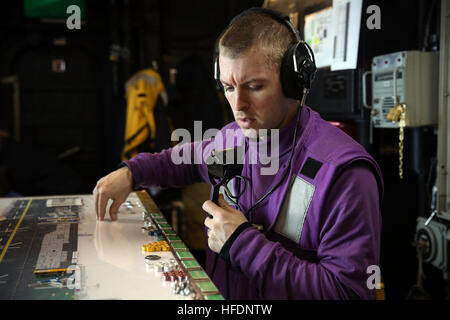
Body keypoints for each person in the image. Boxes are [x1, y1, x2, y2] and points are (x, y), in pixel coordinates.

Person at [93, 8, 384, 300]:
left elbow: (349, 293)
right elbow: (177, 161)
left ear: (294, 81)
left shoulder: (344, 173)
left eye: (254, 87)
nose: (238, 104)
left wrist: (243, 244)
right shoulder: (230, 139)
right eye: (228, 88)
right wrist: (131, 173)